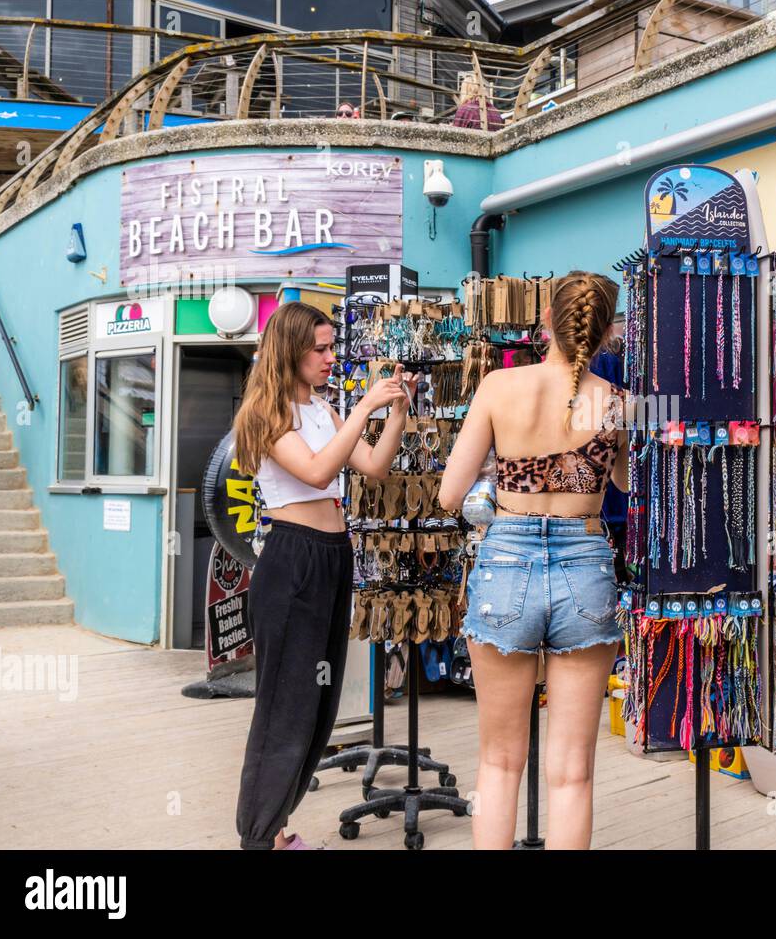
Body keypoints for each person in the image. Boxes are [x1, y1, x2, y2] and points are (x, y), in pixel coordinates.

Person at [439, 272, 627, 849]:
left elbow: (450, 496)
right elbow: (624, 482)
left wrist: (506, 480)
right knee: (572, 772)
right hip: (586, 568)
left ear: (546, 318)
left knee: (498, 763)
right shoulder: (617, 402)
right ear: (604, 334)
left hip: (505, 564)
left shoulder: (499, 386)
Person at [231, 301, 410, 850]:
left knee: (317, 704)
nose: (332, 358)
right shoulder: (268, 413)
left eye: (333, 346)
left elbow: (374, 467)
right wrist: (363, 408)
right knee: (285, 706)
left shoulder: (323, 409)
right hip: (293, 561)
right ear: (292, 351)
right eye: (321, 349)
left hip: (333, 556)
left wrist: (398, 410)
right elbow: (316, 470)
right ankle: (260, 837)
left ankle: (277, 829)